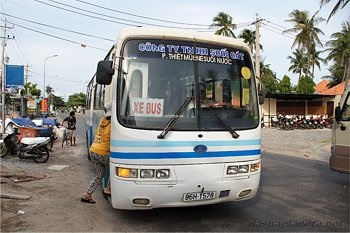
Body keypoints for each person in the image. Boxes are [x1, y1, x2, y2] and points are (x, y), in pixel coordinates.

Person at [81, 105, 112, 204]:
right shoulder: (113, 125)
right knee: (117, 167)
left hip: (93, 150)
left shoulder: (102, 121)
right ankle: (108, 188)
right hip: (103, 152)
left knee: (99, 174)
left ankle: (87, 194)